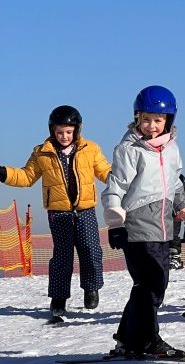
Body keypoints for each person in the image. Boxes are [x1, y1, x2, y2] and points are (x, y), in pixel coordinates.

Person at [102, 85, 185, 358]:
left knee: (148, 285)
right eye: (146, 119)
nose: (152, 126)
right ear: (136, 118)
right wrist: (116, 223)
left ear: (168, 120)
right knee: (152, 284)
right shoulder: (129, 149)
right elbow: (115, 186)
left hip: (163, 226)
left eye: (158, 120)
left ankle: (127, 338)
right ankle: (147, 340)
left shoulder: (172, 149)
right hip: (137, 225)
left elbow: (177, 185)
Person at [0, 105, 111, 318]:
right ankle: (59, 298)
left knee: (91, 250)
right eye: (60, 132)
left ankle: (91, 288)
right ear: (52, 130)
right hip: (59, 212)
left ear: (77, 130)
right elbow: (26, 176)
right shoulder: (42, 153)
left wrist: (121, 176)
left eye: (69, 132)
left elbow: (105, 171)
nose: (64, 136)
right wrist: (4, 173)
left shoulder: (91, 149)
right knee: (62, 255)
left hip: (85, 209)